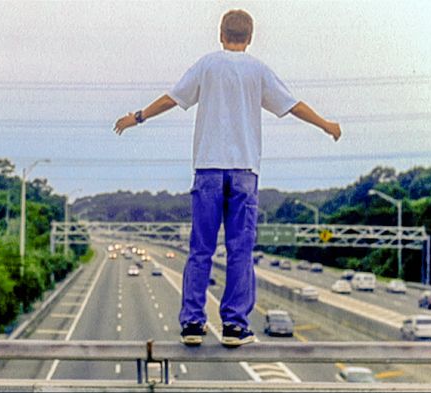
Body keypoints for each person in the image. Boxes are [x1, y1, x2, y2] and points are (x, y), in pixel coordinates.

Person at [113, 9, 341, 347]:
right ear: (250, 38)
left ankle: (193, 323)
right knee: (240, 251)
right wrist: (326, 124)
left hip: (207, 170)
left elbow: (173, 98)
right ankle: (234, 325)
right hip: (244, 172)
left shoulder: (207, 65)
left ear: (221, 35)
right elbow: (292, 105)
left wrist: (138, 116)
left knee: (200, 249)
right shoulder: (258, 70)